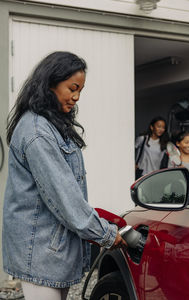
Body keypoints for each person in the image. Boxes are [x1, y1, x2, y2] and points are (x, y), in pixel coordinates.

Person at [2, 51, 127, 300]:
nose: (76, 97)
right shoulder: (37, 131)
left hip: (52, 251)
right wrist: (106, 234)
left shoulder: (51, 125)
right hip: (39, 252)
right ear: (50, 82)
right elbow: (65, 197)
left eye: (80, 89)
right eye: (72, 88)